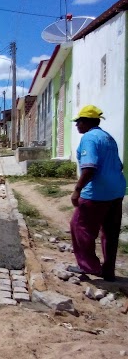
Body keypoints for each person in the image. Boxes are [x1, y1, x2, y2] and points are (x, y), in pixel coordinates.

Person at [69, 105, 126, 281]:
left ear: (87, 122)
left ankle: (89, 266)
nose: (77, 125)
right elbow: (120, 165)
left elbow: (89, 168)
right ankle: (108, 270)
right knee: (110, 232)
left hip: (96, 193)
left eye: (79, 122)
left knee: (79, 227)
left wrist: (77, 190)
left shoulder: (89, 138)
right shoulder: (108, 138)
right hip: (116, 191)